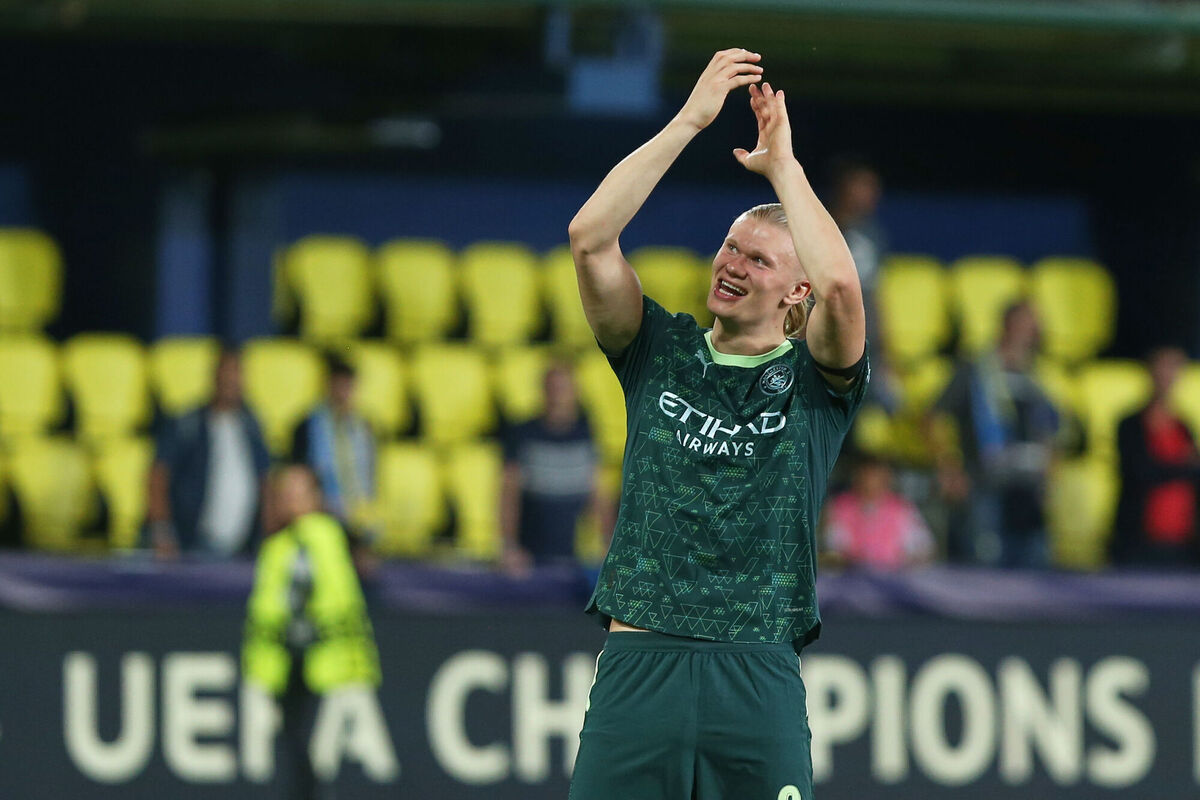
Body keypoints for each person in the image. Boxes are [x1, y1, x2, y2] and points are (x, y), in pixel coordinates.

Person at [566, 50, 868, 800]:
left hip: (756, 671)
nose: (732, 263)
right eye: (730, 246)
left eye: (759, 259)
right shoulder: (658, 350)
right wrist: (691, 120)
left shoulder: (814, 382)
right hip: (640, 665)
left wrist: (783, 169)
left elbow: (839, 284)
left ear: (794, 289)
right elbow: (589, 237)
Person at [242, 464, 382, 800]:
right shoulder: (279, 545)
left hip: (329, 669)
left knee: (323, 763)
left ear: (317, 497)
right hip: (289, 670)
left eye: (299, 491)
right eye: (285, 492)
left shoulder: (326, 535)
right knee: (297, 762)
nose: (290, 499)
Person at [930, 301, 1059, 567]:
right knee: (986, 570)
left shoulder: (1037, 376)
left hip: (1028, 492)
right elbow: (933, 418)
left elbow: (1048, 428)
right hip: (985, 487)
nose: (1030, 332)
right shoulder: (974, 371)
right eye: (1024, 324)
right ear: (1007, 325)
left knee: (1034, 571)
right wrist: (949, 468)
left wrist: (1051, 469)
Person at [147, 346, 270, 558]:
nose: (231, 381)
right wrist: (162, 532)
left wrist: (268, 535)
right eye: (226, 373)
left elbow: (265, 481)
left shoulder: (252, 426)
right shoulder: (188, 424)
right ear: (214, 376)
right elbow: (158, 476)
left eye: (237, 373)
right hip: (193, 546)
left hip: (242, 549)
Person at [499, 363, 614, 573]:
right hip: (529, 559)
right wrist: (509, 547)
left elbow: (598, 493)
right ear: (542, 392)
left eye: (563, 389)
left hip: (575, 558)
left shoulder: (587, 434)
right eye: (552, 389)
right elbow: (509, 494)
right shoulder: (523, 433)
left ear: (575, 392)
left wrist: (608, 543)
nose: (557, 397)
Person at [1110, 346, 1200, 567]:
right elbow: (1139, 471)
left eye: (1174, 368)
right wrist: (1184, 465)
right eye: (1163, 367)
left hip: (1182, 539)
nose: (1168, 376)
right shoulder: (1131, 424)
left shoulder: (1183, 426)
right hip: (1140, 539)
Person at [291, 355, 376, 538]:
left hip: (359, 520)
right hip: (321, 517)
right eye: (339, 385)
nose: (343, 393)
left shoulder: (364, 429)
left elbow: (370, 476)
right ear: (327, 386)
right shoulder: (307, 427)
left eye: (348, 386)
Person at [822, 451, 935, 570]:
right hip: (850, 578)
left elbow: (924, 549)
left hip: (893, 579)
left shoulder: (902, 509)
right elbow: (834, 546)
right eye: (866, 475)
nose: (870, 481)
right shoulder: (840, 507)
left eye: (876, 476)